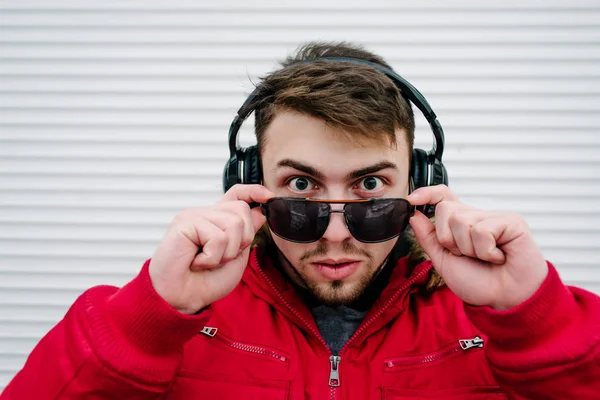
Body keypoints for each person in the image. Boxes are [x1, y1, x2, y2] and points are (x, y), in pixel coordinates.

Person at [2, 42, 599, 400]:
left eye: (370, 186)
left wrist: (536, 323)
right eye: (301, 187)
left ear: (417, 185)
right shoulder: (173, 321)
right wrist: (146, 319)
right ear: (250, 181)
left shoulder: (498, 322)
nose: (335, 234)